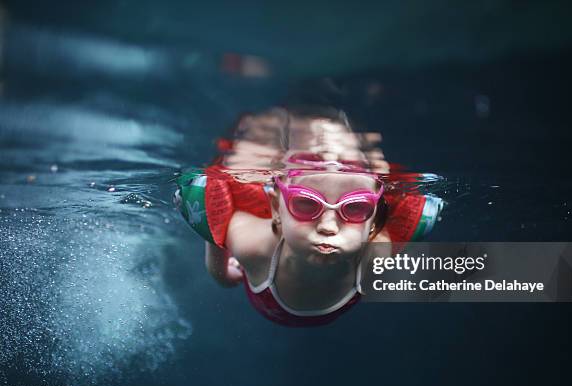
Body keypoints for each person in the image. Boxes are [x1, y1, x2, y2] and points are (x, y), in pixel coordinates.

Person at [175, 106, 443, 326]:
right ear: (276, 209)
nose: (328, 227)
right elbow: (215, 233)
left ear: (373, 217)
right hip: (266, 293)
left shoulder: (376, 256)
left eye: (355, 208)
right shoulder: (256, 248)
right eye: (306, 204)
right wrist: (223, 275)